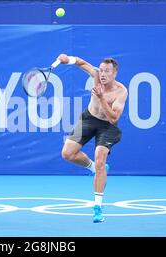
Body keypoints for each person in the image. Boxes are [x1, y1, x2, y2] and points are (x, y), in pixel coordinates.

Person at [58, 54, 128, 223]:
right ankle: (93, 169)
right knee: (67, 154)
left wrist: (102, 98)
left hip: (108, 126)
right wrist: (68, 59)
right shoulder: (96, 75)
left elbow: (113, 119)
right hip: (89, 119)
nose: (102, 74)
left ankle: (97, 207)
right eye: (101, 70)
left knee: (100, 159)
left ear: (115, 74)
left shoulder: (121, 91)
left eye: (107, 71)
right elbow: (81, 63)